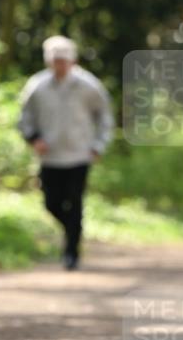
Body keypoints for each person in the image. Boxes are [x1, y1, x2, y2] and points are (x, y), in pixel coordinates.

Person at [19, 36, 113, 270]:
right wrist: (33, 138)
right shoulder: (37, 86)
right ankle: (73, 229)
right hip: (50, 156)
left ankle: (71, 253)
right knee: (51, 203)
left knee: (75, 202)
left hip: (79, 155)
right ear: (48, 61)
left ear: (73, 61)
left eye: (63, 60)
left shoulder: (89, 86)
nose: (59, 65)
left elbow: (105, 117)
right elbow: (25, 117)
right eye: (55, 60)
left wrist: (98, 145)